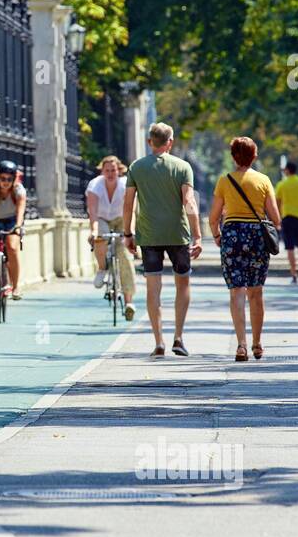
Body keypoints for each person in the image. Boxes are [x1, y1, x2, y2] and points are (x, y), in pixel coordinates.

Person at [124, 122, 203, 358]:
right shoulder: (182, 167)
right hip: (178, 234)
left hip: (148, 235)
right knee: (183, 283)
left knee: (153, 287)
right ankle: (178, 337)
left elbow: (128, 204)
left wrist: (128, 233)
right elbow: (189, 202)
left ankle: (158, 340)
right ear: (170, 142)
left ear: (150, 142)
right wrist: (197, 235)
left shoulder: (136, 167)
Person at [208, 137, 281, 361]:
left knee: (236, 291)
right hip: (257, 236)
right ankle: (257, 343)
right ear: (254, 156)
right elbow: (276, 218)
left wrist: (217, 235)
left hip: (231, 235)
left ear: (233, 157)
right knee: (256, 292)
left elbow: (213, 217)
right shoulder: (264, 180)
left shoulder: (224, 181)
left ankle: (241, 345)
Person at [85, 155, 137, 320]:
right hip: (101, 218)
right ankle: (101, 268)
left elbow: (131, 211)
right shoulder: (95, 186)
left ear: (119, 170)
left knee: (125, 256)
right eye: (107, 170)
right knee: (100, 237)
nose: (110, 173)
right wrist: (93, 231)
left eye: (113, 170)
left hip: (121, 219)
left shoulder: (125, 185)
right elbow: (92, 213)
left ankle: (129, 302)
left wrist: (130, 232)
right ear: (102, 171)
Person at [0, 160, 27, 305]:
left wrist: (18, 226)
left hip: (12, 221)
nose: (6, 182)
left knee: (13, 247)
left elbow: (21, 211)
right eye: (2, 178)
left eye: (9, 179)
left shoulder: (19, 190)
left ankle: (15, 287)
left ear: (14, 178)